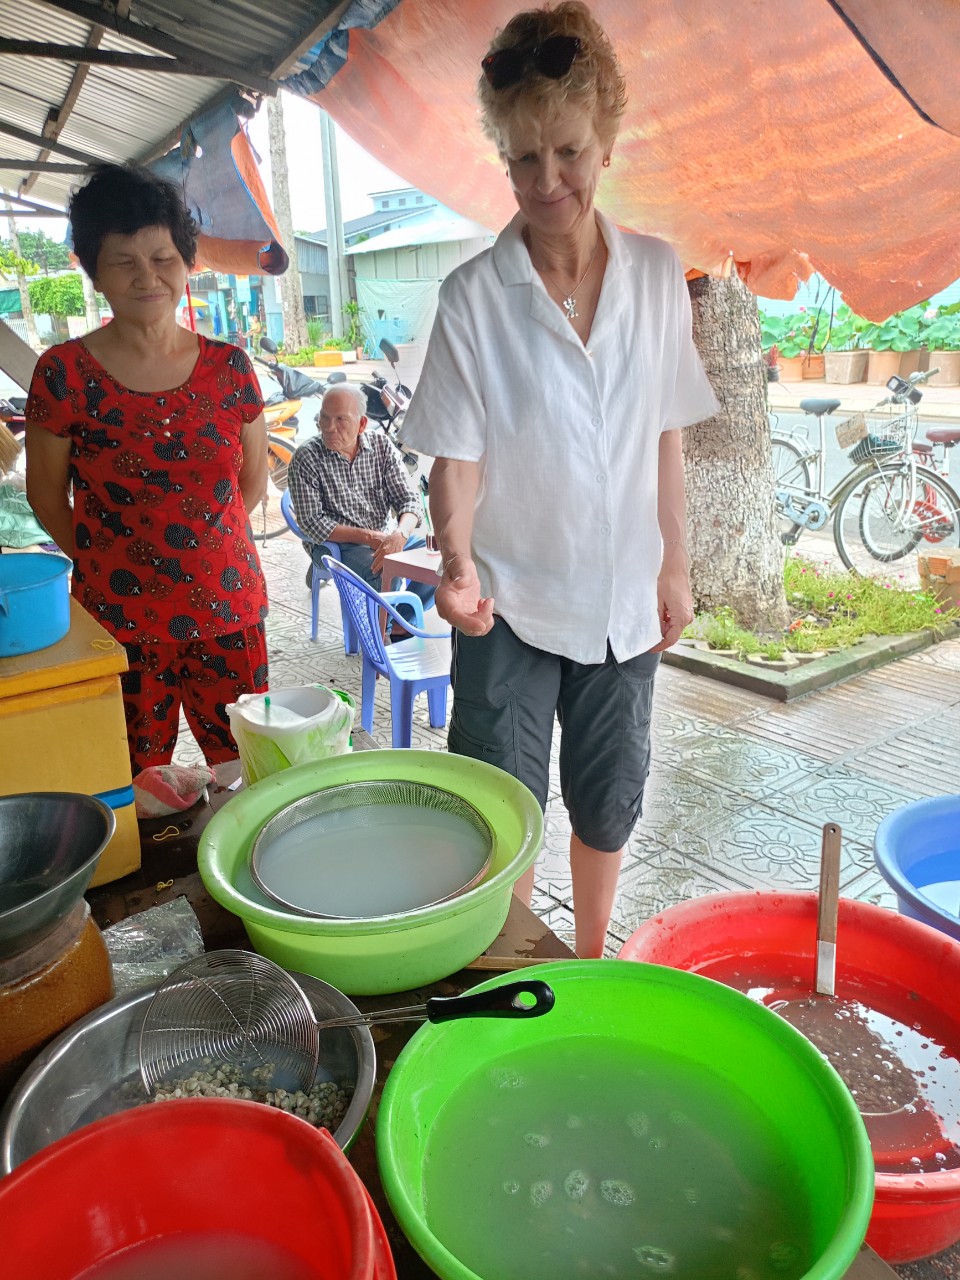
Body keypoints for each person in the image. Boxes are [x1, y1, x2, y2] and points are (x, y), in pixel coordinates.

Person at [399, 2, 719, 957]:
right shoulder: (472, 299)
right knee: (503, 802)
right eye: (526, 159)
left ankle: (583, 960)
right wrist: (454, 560)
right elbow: (457, 458)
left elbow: (666, 435)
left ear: (605, 143)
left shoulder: (659, 276)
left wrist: (676, 569)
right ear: (503, 158)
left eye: (569, 153)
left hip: (623, 601)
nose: (549, 182)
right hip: (511, 600)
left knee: (610, 794)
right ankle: (510, 973)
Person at [25, 163, 269, 776]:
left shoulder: (231, 368)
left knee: (247, 770)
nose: (147, 276)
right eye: (124, 261)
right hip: (119, 619)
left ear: (186, 260)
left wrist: (202, 553)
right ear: (93, 269)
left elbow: (253, 482)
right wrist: (107, 562)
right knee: (133, 778)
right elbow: (47, 497)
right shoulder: (63, 373)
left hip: (227, 610)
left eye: (162, 257)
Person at [287, 383, 435, 624]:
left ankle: (399, 624)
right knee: (387, 569)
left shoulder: (381, 446)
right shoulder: (307, 457)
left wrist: (400, 534)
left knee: (442, 559)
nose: (329, 428)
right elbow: (312, 524)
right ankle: (381, 644)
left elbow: (409, 500)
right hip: (336, 543)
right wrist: (370, 537)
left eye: (340, 420)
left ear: (362, 424)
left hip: (384, 535)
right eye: (324, 418)